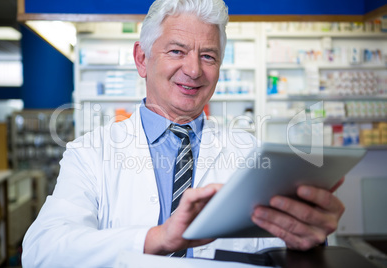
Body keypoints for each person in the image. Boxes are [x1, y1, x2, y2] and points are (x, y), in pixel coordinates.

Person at [22, 0, 345, 266]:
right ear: (142, 59)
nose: (193, 70)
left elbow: (281, 247)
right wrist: (158, 238)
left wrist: (309, 238)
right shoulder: (89, 152)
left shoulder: (253, 153)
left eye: (208, 56)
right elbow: (42, 251)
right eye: (177, 51)